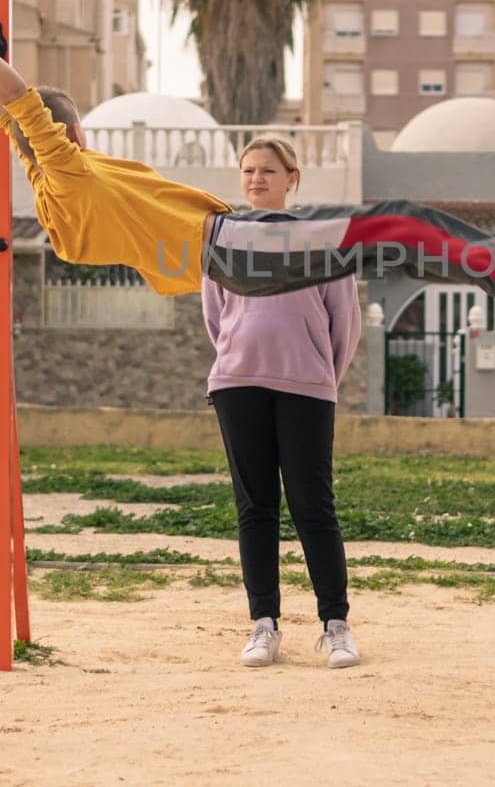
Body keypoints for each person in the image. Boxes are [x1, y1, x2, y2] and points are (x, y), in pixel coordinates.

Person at [0, 0, 495, 329]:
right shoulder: (68, 173)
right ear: (74, 128)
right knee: (395, 224)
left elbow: (15, 117)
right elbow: (21, 107)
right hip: (232, 248)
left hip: (232, 253)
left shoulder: (51, 183)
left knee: (397, 234)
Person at [202, 136, 360, 668]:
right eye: (248, 170)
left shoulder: (321, 240)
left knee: (313, 507)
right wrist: (238, 360)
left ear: (292, 177)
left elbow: (346, 321)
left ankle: (335, 625)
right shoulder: (224, 240)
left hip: (307, 388)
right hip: (237, 384)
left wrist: (320, 377)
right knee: (255, 509)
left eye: (268, 170)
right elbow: (216, 316)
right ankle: (263, 625)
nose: (256, 179)